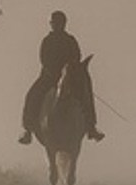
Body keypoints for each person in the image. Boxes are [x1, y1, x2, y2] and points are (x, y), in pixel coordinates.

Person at [18, 10, 105, 144]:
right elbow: (43, 59)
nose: (56, 25)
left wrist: (70, 69)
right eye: (54, 23)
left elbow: (77, 56)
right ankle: (27, 129)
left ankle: (91, 127)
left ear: (64, 24)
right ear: (52, 24)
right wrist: (54, 71)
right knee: (32, 94)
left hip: (69, 76)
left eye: (59, 22)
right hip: (49, 76)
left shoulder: (70, 40)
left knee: (86, 92)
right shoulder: (47, 41)